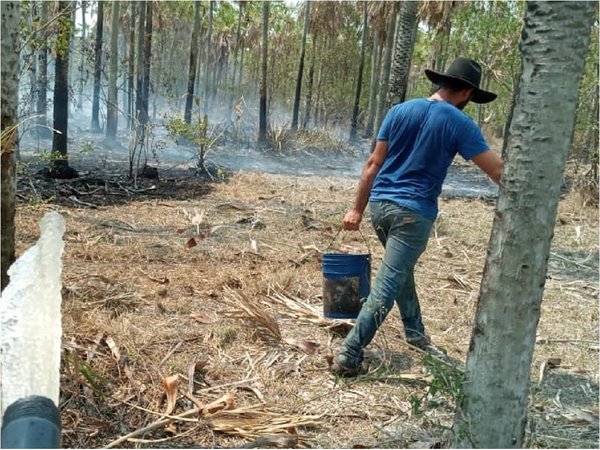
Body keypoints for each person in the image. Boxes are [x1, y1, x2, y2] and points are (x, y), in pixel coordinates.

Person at [332, 57, 503, 377]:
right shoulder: (459, 122)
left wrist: (357, 208)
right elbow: (496, 171)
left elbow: (373, 164)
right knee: (388, 282)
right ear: (466, 92)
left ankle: (414, 332)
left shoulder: (399, 111)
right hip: (413, 215)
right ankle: (349, 353)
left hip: (380, 207)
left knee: (399, 272)